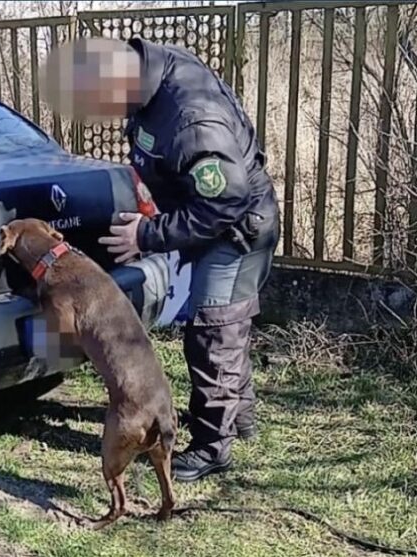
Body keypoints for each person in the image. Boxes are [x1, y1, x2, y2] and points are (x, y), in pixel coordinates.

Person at [39, 37, 280, 482]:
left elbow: (225, 201)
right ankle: (237, 420)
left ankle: (212, 447)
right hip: (213, 221)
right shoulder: (151, 76)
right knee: (228, 324)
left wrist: (148, 234)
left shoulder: (192, 118)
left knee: (214, 332)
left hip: (235, 229)